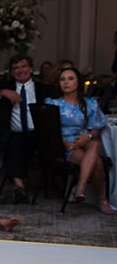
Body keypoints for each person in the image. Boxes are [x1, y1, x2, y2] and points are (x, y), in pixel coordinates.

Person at [0, 54, 56, 203]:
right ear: (12, 72)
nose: (20, 71)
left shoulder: (45, 89)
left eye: (23, 66)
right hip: (15, 134)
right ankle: (19, 187)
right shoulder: (4, 87)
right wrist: (2, 93)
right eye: (16, 68)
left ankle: (53, 181)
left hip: (40, 134)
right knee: (15, 143)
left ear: (31, 69)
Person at [46, 67, 114, 214]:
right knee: (97, 163)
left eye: (71, 79)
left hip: (84, 140)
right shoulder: (53, 103)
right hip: (64, 144)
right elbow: (50, 130)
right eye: (62, 79)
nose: (66, 82)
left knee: (95, 142)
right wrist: (64, 142)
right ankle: (102, 199)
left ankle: (80, 186)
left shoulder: (90, 103)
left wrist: (87, 137)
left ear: (78, 82)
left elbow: (96, 128)